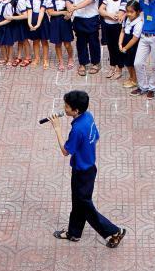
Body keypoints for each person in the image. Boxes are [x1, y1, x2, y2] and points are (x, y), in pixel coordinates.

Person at [47, 90, 126, 247]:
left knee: (85, 206)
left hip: (81, 172)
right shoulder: (88, 117)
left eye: (67, 107)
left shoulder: (77, 129)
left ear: (76, 110)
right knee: (78, 203)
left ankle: (114, 231)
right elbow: (96, 136)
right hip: (89, 168)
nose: (64, 109)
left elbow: (65, 151)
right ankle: (74, 233)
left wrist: (57, 129)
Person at [66, 0, 100, 76]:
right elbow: (68, 1)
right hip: (79, 20)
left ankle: (95, 63)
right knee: (81, 43)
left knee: (93, 43)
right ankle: (83, 63)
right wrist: (69, 7)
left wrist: (73, 8)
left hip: (92, 20)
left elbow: (87, 2)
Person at [99, 0, 127, 80]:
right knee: (110, 47)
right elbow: (100, 10)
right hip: (108, 26)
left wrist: (106, 14)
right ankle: (112, 66)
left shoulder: (123, 1)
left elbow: (118, 16)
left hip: (117, 28)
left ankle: (119, 69)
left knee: (118, 48)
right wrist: (110, 15)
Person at [47, 0, 75, 70]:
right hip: (55, 23)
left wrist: (69, 14)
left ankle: (70, 58)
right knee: (58, 44)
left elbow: (71, 10)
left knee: (67, 44)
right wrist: (63, 12)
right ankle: (61, 61)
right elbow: (50, 12)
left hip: (65, 23)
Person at [27, 0, 52, 69]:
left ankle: (45, 59)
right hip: (33, 19)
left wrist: (38, 24)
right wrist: (30, 23)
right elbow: (29, 11)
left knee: (44, 41)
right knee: (35, 40)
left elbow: (42, 11)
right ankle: (36, 58)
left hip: (43, 21)